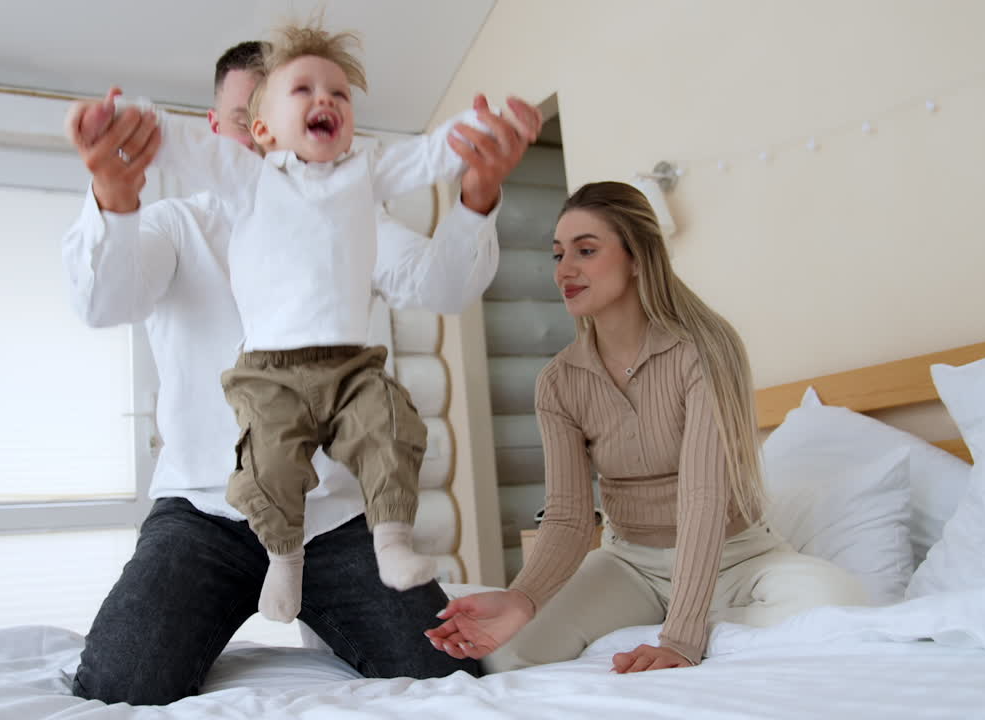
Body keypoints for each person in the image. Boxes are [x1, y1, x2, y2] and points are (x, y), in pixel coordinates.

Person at [61, 39, 541, 705]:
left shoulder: (351, 218)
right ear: (226, 129)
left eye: (323, 100)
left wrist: (477, 194)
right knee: (120, 686)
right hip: (206, 513)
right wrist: (115, 190)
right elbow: (104, 300)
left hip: (334, 520)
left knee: (448, 681)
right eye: (248, 118)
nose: (270, 143)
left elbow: (444, 285)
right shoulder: (176, 227)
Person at [426, 181, 868, 674]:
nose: (564, 271)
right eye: (558, 255)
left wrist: (681, 637)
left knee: (842, 606)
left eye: (586, 251)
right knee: (508, 654)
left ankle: (696, 614)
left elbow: (704, 497)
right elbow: (570, 517)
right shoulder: (558, 382)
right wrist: (522, 598)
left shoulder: (705, 349)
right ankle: (683, 614)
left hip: (735, 558)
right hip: (629, 563)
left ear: (637, 257)